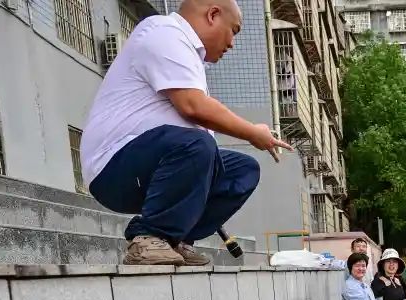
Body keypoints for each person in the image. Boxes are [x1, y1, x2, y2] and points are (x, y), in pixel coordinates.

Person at [81, 0, 290, 265]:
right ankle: (148, 237)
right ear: (213, 14)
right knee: (198, 145)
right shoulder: (163, 32)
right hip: (112, 168)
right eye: (233, 31)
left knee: (242, 170)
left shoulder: (189, 55)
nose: (232, 43)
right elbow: (193, 106)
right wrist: (252, 132)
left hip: (156, 163)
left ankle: (174, 240)